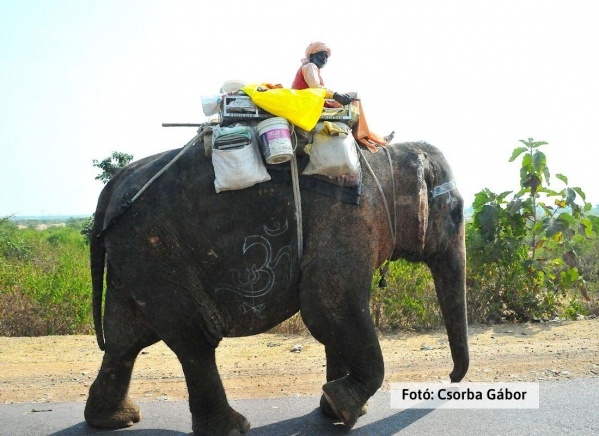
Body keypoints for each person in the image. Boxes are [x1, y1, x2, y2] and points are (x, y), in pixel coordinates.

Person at [291, 41, 391, 152]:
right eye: (321, 55)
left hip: (312, 104)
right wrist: (336, 96)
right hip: (308, 106)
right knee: (355, 99)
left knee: (351, 98)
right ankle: (365, 137)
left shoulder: (311, 68)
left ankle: (373, 138)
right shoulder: (310, 66)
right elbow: (316, 88)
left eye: (326, 56)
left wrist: (337, 97)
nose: (324, 59)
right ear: (311, 56)